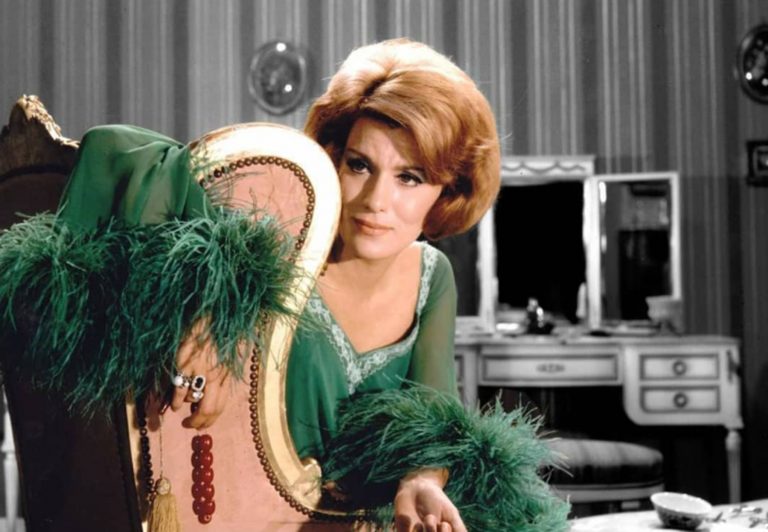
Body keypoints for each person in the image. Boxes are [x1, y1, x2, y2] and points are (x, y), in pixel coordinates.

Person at [173, 38, 501, 531]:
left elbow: (434, 416)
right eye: (359, 165)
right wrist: (208, 320)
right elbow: (146, 166)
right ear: (331, 160)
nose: (375, 200)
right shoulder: (277, 248)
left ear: (447, 192)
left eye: (409, 178)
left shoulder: (433, 277)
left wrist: (422, 482)